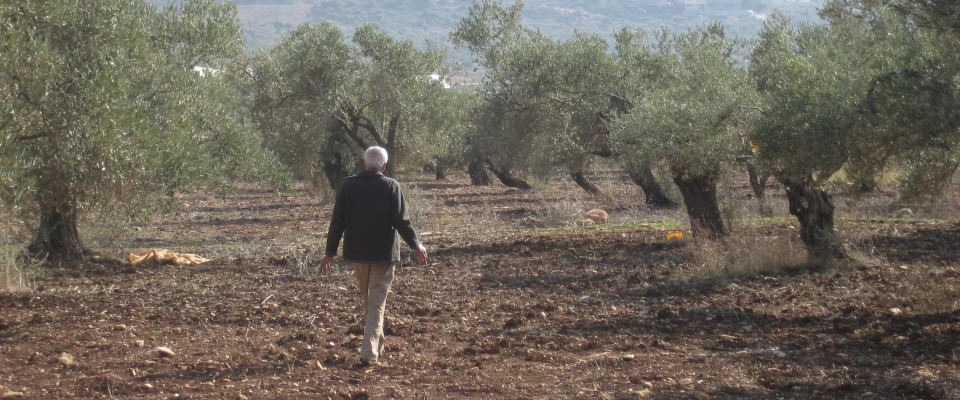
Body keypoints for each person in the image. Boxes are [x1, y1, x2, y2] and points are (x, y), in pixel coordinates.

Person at [319, 146, 429, 368]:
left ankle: (377, 344)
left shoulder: (347, 186)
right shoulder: (390, 186)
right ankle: (369, 353)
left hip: (358, 254)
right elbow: (402, 221)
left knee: (370, 303)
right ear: (384, 166)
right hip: (383, 255)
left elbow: (337, 222)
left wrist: (329, 252)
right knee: (375, 304)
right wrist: (416, 244)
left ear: (364, 162)